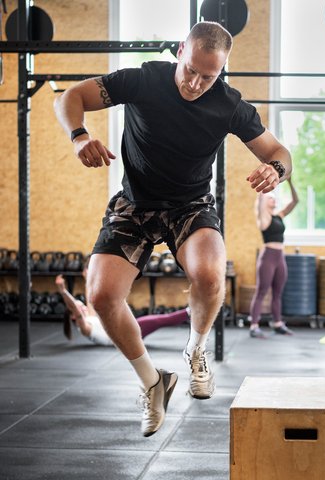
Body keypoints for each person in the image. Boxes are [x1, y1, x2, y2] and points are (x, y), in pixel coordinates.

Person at [53, 21, 292, 437]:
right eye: (191, 70)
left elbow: (279, 151)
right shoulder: (144, 79)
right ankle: (152, 381)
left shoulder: (229, 105)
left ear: (222, 71)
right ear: (180, 51)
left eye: (209, 76)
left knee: (210, 275)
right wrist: (78, 136)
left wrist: (276, 170)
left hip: (190, 206)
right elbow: (72, 97)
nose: (196, 82)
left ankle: (195, 351)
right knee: (101, 295)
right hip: (135, 204)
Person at [55, 274, 190, 347]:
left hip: (125, 331)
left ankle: (190, 312)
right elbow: (76, 311)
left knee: (160, 320)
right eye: (79, 307)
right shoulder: (85, 328)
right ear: (74, 317)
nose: (83, 307)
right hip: (124, 337)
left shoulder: (90, 318)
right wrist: (63, 291)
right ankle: (190, 312)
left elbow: (90, 300)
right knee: (161, 320)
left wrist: (88, 279)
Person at [249, 178, 298, 338]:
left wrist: (290, 182)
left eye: (274, 197)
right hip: (268, 257)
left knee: (278, 292)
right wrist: (266, 184)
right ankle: (254, 325)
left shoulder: (279, 216)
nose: (274, 199)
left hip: (279, 257)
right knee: (262, 291)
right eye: (271, 197)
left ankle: (278, 324)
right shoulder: (264, 219)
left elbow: (295, 201)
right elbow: (261, 200)